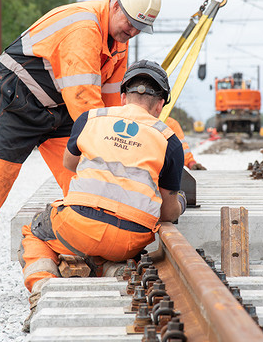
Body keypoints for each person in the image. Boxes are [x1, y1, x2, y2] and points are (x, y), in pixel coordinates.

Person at [0, 0, 162, 310]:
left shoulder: (118, 45)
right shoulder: (83, 29)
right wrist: (110, 148)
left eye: (139, 28)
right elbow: (86, 105)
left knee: (86, 186)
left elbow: (109, 108)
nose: (132, 32)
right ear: (115, 5)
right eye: (130, 23)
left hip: (60, 110)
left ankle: (89, 257)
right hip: (16, 102)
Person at [18, 60, 186, 332]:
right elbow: (167, 213)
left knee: (35, 231)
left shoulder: (91, 119)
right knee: (109, 243)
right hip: (130, 239)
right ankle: (110, 267)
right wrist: (180, 203)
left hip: (77, 226)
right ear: (160, 105)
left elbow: (69, 164)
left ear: (122, 98)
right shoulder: (169, 139)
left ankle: (40, 289)